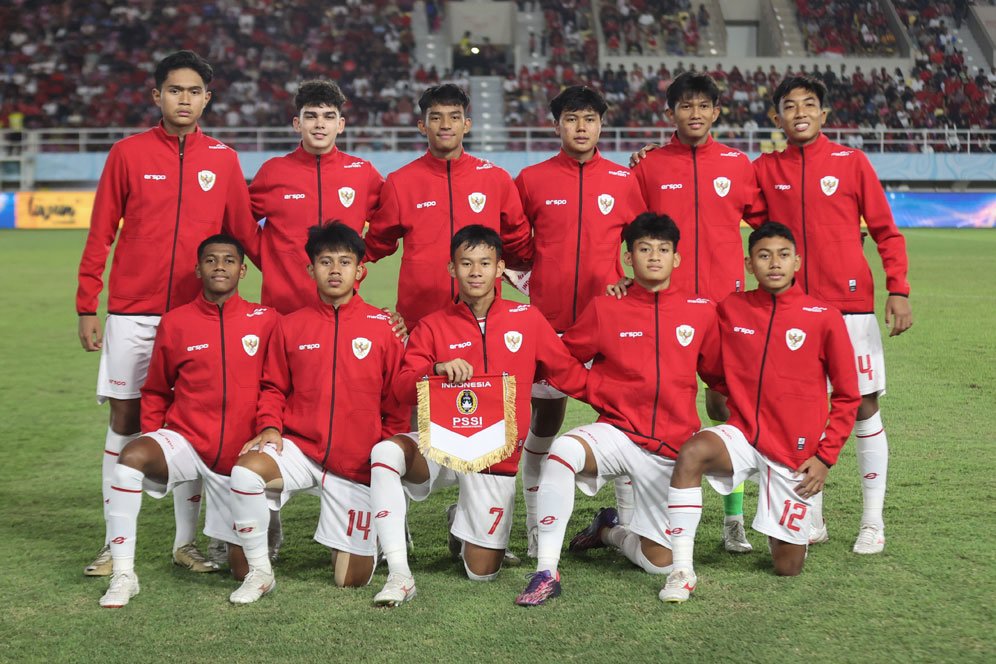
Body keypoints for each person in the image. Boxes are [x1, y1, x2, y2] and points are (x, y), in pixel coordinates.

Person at [76, 50, 258, 577]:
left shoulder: (223, 159)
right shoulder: (127, 153)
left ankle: (186, 542)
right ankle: (116, 542)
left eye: (194, 90)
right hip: (132, 312)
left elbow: (246, 236)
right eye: (174, 90)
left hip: (197, 314)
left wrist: (295, 293)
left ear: (207, 97)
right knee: (126, 421)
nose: (185, 99)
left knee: (195, 423)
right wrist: (88, 303)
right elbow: (101, 232)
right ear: (157, 95)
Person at [368, 225, 588, 607]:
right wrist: (434, 369)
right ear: (451, 269)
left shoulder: (528, 319)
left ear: (500, 268)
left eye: (485, 263)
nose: (475, 271)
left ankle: (461, 519)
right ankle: (400, 574)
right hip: (439, 444)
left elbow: (569, 374)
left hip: (494, 458)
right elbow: (401, 387)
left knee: (481, 572)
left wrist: (625, 394)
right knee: (386, 455)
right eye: (465, 263)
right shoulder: (433, 325)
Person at [515, 213, 722, 606]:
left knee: (659, 563)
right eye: (644, 249)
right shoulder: (606, 308)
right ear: (629, 258)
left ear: (677, 258)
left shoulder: (701, 311)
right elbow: (564, 358)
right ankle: (546, 570)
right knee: (561, 454)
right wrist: (595, 390)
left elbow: (717, 373)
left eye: (663, 250)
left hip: (671, 448)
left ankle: (608, 531)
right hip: (618, 432)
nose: (654, 257)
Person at [659, 222, 860, 603]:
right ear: (749, 265)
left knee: (788, 567)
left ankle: (808, 519)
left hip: (794, 452)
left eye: (783, 255)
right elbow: (684, 322)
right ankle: (681, 569)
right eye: (763, 256)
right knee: (692, 452)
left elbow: (849, 396)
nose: (774, 263)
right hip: (744, 434)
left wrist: (825, 457)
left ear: (797, 261)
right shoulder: (731, 308)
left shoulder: (823, 316)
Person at [753, 76, 912, 553]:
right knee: (803, 411)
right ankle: (812, 518)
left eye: (809, 104)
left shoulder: (851, 162)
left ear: (824, 114)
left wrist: (898, 290)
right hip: (793, 310)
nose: (799, 111)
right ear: (776, 119)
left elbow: (886, 231)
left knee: (862, 406)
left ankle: (871, 521)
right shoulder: (763, 168)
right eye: (789, 105)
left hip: (850, 308)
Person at [227, 222, 409, 604]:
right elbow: (274, 387)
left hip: (356, 463)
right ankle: (261, 573)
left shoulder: (384, 328)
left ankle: (375, 526)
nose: (335, 270)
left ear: (360, 270)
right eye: (325, 261)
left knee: (350, 581)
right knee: (245, 472)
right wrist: (271, 427)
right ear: (311, 270)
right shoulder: (290, 325)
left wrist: (384, 455)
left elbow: (396, 400)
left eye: (345, 261)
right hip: (301, 450)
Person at [98, 235, 278, 607]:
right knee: (130, 459)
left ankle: (250, 543)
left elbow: (276, 384)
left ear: (243, 270)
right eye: (210, 260)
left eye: (229, 260)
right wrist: (154, 433)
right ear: (198, 269)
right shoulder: (176, 322)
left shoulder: (266, 319)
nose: (219, 267)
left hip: (240, 456)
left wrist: (267, 425)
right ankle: (122, 574)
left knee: (242, 569)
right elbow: (156, 389)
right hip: (188, 442)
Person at [630, 72, 767, 553]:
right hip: (661, 307)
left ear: (715, 112)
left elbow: (767, 224)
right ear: (670, 114)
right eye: (684, 106)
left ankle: (734, 518)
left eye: (703, 105)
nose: (694, 113)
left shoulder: (738, 163)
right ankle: (642, 512)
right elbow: (627, 231)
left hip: (724, 306)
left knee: (725, 405)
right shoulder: (647, 167)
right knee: (655, 399)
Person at [513, 85, 647, 557]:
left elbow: (643, 248)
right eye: (571, 119)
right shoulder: (530, 179)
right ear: (556, 125)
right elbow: (511, 245)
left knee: (625, 421)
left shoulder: (624, 182)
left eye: (589, 118)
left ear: (601, 124)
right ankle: (534, 526)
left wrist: (627, 288)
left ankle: (630, 525)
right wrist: (524, 283)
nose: (581, 127)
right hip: (548, 327)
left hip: (609, 324)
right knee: (543, 423)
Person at [363, 84, 533, 329]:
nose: (445, 125)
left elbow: (517, 241)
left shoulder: (496, 179)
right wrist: (339, 256)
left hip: (483, 316)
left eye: (454, 117)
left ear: (467, 124)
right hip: (419, 319)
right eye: (436, 117)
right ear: (423, 126)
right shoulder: (401, 182)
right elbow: (378, 242)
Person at [249, 80, 385, 315]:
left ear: (340, 124)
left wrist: (361, 255)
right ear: (297, 123)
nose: (320, 124)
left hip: (340, 309)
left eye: (329, 116)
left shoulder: (362, 173)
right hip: (282, 311)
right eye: (311, 116)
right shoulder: (273, 172)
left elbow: (390, 223)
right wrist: (268, 260)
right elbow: (240, 223)